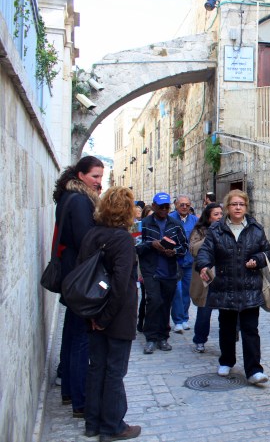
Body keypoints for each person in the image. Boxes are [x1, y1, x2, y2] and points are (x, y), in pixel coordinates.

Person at [79, 186, 141, 441]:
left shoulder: (91, 235)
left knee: (97, 368)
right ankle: (113, 426)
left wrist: (95, 317)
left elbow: (83, 275)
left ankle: (93, 423)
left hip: (93, 310)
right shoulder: (123, 240)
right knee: (115, 371)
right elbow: (120, 285)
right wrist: (105, 320)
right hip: (116, 316)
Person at [196, 190, 270, 385]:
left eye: (241, 204)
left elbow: (267, 251)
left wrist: (257, 259)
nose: (238, 207)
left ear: (246, 207)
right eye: (234, 204)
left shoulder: (256, 229)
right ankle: (226, 360)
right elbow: (206, 251)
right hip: (225, 286)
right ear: (227, 207)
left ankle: (254, 370)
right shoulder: (216, 230)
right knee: (227, 328)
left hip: (249, 287)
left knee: (250, 330)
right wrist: (204, 265)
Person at [52, 155, 104, 418]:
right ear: (81, 175)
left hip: (70, 274)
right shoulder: (81, 201)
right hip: (80, 277)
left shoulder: (67, 197)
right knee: (81, 338)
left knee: (72, 334)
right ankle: (81, 401)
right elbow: (87, 241)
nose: (99, 182)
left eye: (101, 177)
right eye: (95, 176)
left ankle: (70, 392)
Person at [136, 192, 188, 354]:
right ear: (154, 206)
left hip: (170, 271)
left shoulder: (175, 224)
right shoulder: (141, 224)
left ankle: (163, 337)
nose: (164, 210)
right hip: (151, 271)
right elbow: (135, 246)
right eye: (161, 207)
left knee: (166, 304)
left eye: (167, 207)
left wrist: (175, 252)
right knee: (154, 301)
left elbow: (184, 246)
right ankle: (151, 338)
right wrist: (152, 244)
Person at [189, 203, 224, 352]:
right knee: (205, 310)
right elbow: (193, 249)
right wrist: (210, 236)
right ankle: (200, 339)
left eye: (221, 214)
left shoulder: (227, 230)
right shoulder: (200, 231)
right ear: (208, 216)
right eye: (216, 214)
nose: (219, 217)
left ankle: (228, 339)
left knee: (227, 310)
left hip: (224, 275)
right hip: (207, 275)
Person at [169, 194, 198, 333]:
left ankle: (185, 318)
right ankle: (178, 320)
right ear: (176, 205)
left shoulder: (194, 220)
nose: (185, 207)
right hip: (174, 262)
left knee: (187, 292)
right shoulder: (170, 219)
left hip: (189, 262)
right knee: (177, 291)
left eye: (187, 205)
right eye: (182, 205)